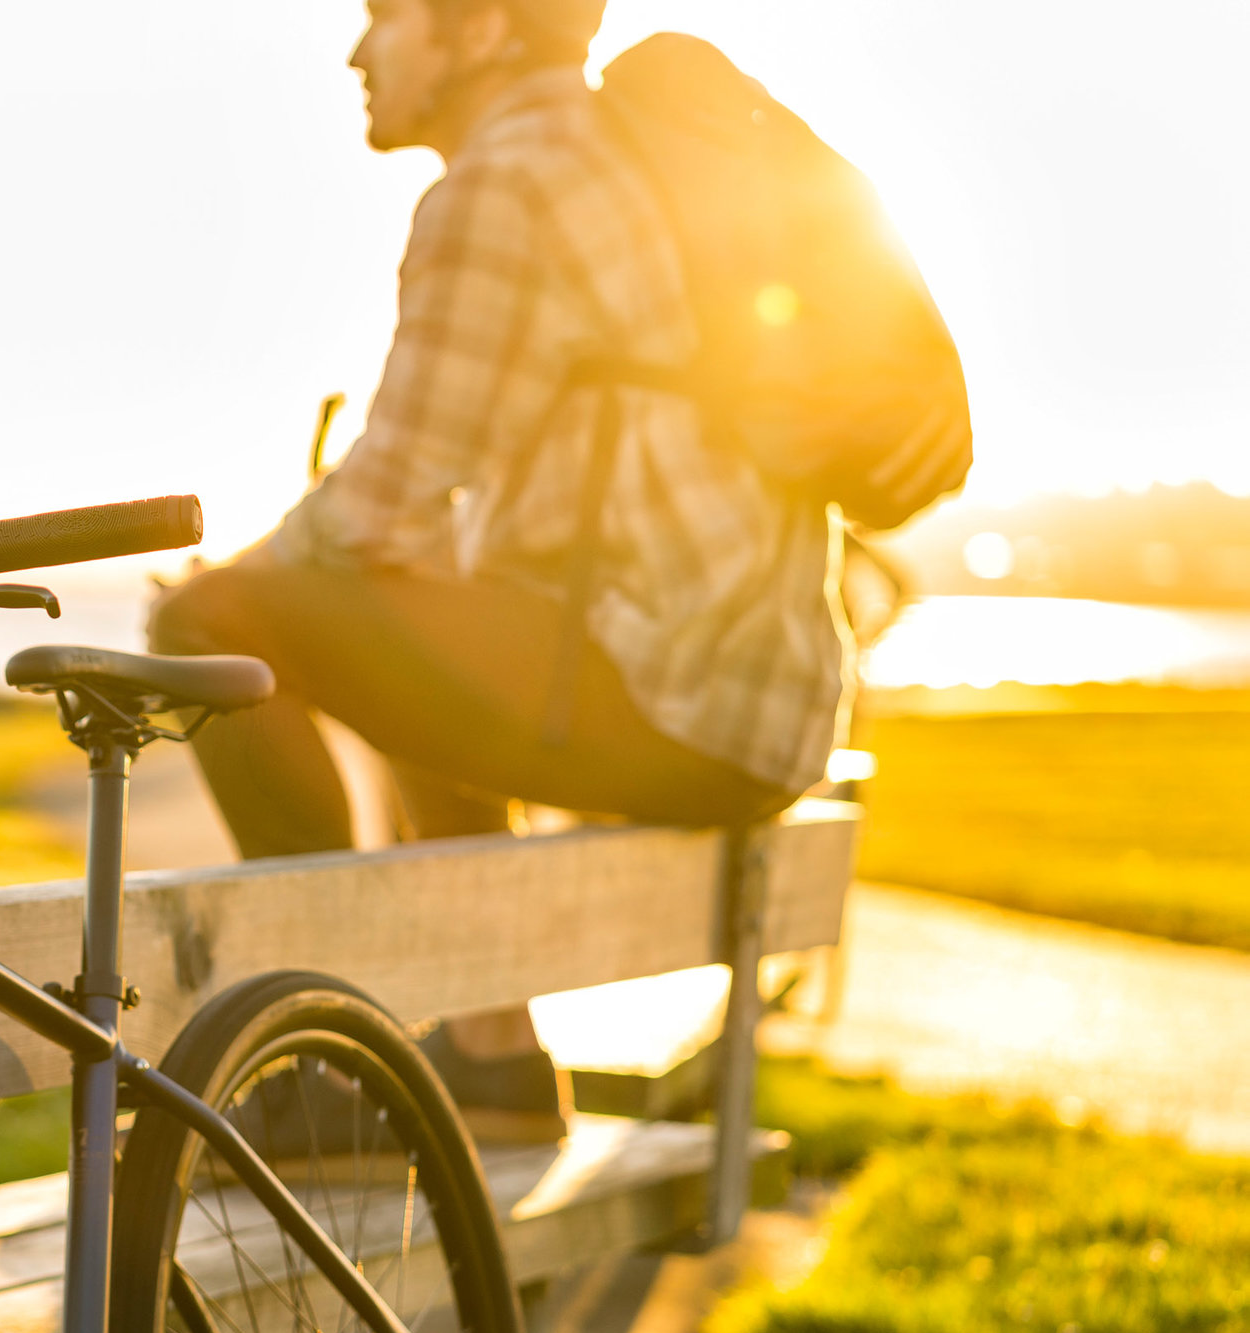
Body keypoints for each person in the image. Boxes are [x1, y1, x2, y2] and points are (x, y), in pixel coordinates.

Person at [149, 0, 848, 1136]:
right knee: (411, 612)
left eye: (386, 17)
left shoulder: (504, 185)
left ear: (478, 32)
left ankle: (323, 1065)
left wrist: (220, 582)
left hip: (669, 696)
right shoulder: (611, 163)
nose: (357, 50)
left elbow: (377, 499)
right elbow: (412, 535)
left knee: (212, 629)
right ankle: (495, 1059)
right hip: (748, 702)